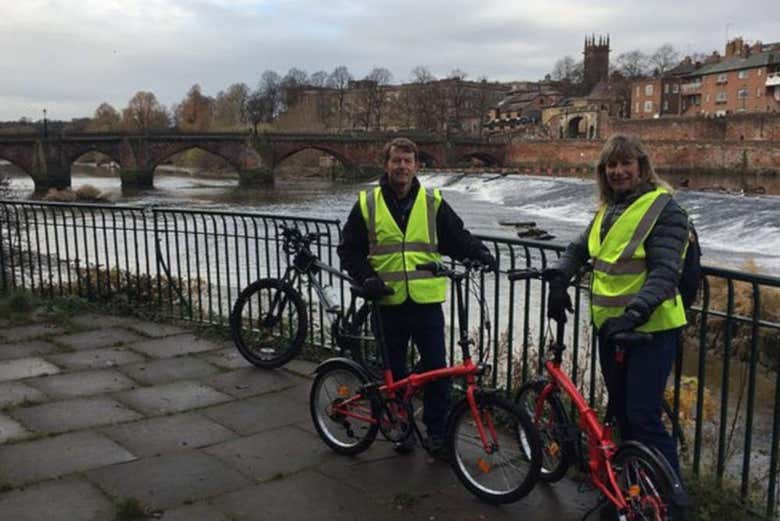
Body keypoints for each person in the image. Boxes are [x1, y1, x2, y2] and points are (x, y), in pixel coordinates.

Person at [338, 137, 496, 458]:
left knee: (437, 369)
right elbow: (348, 249)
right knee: (394, 372)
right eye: (397, 160)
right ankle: (401, 427)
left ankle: (437, 433)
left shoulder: (432, 201)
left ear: (417, 166)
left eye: (408, 161)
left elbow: (456, 237)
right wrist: (367, 278)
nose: (402, 167)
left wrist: (480, 253)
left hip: (426, 302)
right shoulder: (368, 204)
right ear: (386, 164)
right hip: (388, 302)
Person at [546, 133, 689, 477]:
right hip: (612, 330)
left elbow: (665, 271)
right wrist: (559, 280)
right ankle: (633, 491)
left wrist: (635, 313)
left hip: (651, 330)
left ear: (642, 167)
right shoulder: (609, 210)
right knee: (624, 415)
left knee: (643, 416)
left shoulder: (664, 208)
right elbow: (578, 249)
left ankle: (672, 502)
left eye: (626, 163)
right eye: (611, 164)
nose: (618, 171)